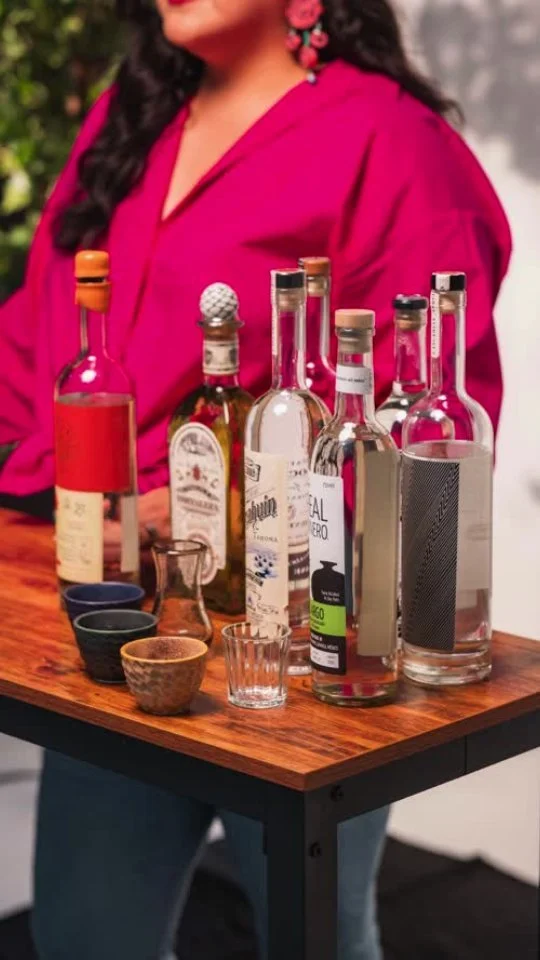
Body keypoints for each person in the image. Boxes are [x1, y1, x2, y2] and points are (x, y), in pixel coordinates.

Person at [0, 1, 511, 959]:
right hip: (117, 620)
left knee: (314, 939)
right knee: (85, 938)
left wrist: (221, 515)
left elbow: (424, 420)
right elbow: (34, 342)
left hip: (297, 634)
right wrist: (68, 490)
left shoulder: (389, 139)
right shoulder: (131, 118)